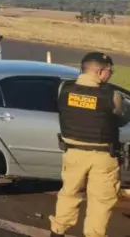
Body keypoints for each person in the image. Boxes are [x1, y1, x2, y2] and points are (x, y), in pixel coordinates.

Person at [50, 52, 130, 237]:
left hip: (73, 154)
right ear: (100, 72)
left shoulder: (64, 88)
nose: (111, 75)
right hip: (103, 157)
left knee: (69, 194)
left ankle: (57, 231)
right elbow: (121, 118)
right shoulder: (112, 95)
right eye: (110, 71)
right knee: (101, 201)